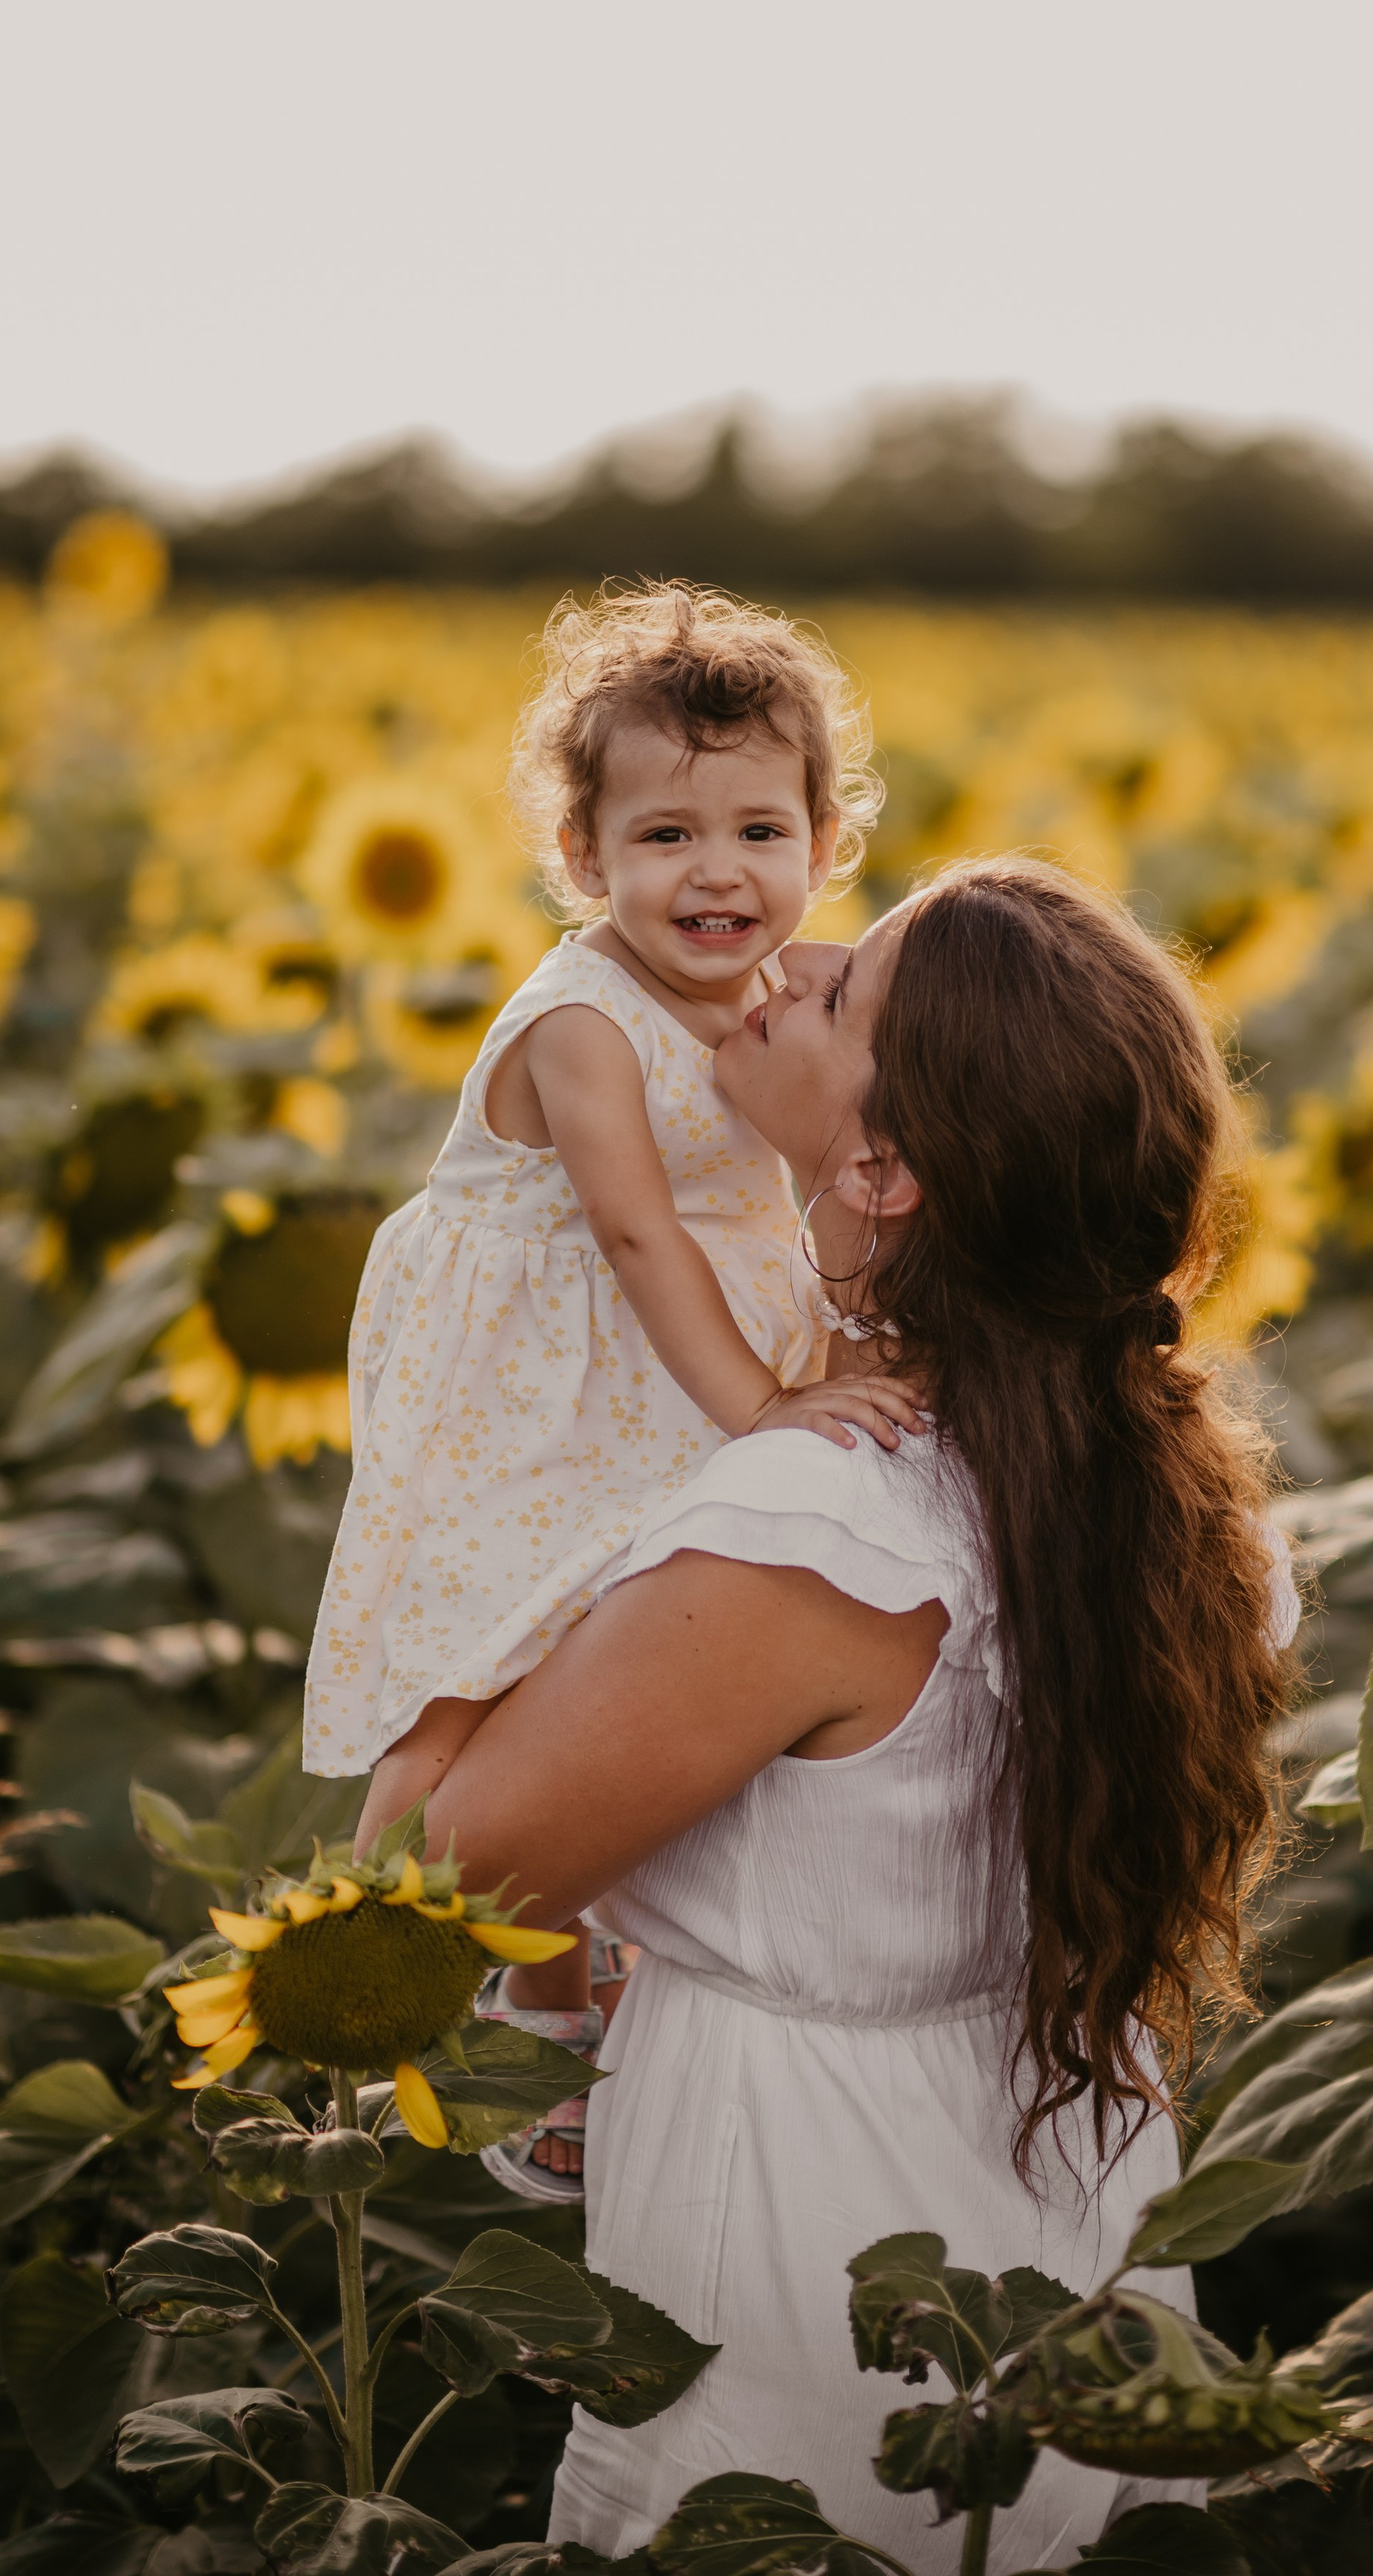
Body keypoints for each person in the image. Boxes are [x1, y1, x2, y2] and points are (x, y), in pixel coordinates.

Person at [353, 860, 1300, 2570]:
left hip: (809, 2250)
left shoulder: (818, 1525)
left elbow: (436, 1873)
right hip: (1068, 2202)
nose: (784, 967)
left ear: (882, 1167)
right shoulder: (1174, 1489)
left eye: (844, 986)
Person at [305, 582, 923, 2086]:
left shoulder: (776, 979)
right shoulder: (582, 1022)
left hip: (661, 1347)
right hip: (532, 1359)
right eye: (663, 839)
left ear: (825, 846)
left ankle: (579, 2009)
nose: (717, 876)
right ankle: (374, 1951)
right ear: (581, 858)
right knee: (487, 1660)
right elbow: (638, 1235)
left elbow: (852, 1065)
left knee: (615, 1656)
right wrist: (759, 1414)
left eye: (759, 835)